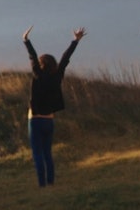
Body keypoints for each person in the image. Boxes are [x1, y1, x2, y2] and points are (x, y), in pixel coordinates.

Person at [23, 25, 86, 187]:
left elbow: (32, 56)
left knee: (37, 154)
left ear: (41, 64)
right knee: (47, 154)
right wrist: (75, 41)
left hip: (35, 120)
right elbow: (65, 59)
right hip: (49, 121)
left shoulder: (37, 74)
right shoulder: (57, 75)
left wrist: (26, 40)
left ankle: (42, 184)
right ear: (53, 65)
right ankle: (50, 182)